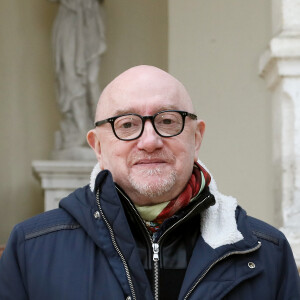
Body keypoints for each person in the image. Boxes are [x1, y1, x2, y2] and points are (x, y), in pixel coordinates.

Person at [0, 65, 299, 299]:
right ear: (98, 147)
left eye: (168, 120)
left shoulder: (267, 254)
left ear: (196, 137)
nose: (150, 140)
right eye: (127, 124)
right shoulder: (31, 250)